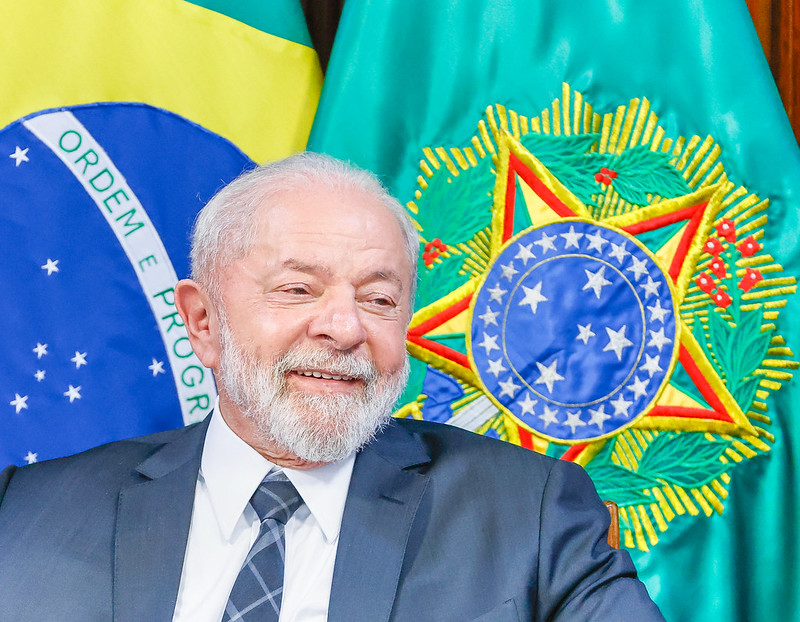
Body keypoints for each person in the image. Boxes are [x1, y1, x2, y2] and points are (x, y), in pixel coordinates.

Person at [0, 152, 664, 621]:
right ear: (202, 322)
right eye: (297, 290)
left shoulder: (532, 515)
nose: (344, 328)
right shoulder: (26, 515)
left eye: (379, 299)